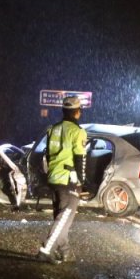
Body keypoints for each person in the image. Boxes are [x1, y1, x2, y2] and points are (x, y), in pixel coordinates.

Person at [37, 96, 87, 264]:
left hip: (54, 177)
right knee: (64, 217)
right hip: (68, 179)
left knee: (61, 217)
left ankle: (63, 249)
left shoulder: (53, 129)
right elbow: (80, 158)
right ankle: (46, 250)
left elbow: (49, 154)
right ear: (77, 112)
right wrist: (82, 181)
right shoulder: (77, 131)